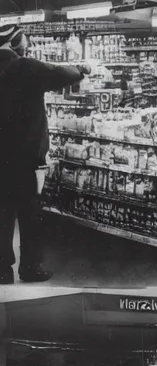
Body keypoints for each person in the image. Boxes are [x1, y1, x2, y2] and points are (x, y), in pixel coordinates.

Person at [0, 23, 91, 284]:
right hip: (25, 156)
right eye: (24, 41)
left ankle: (1, 270)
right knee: (30, 213)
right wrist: (81, 69)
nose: (26, 45)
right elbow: (59, 73)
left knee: (1, 214)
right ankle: (30, 267)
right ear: (14, 42)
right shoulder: (25, 67)